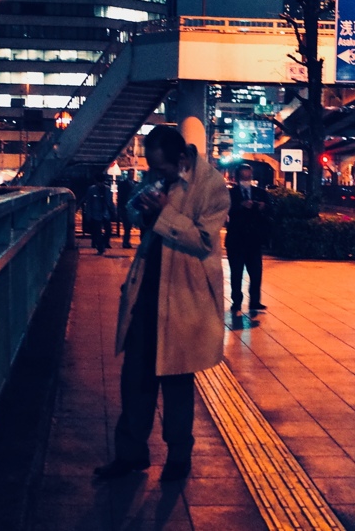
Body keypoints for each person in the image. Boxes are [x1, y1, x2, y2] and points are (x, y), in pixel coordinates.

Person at [94, 126, 230, 483]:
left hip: (184, 298)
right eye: (152, 168)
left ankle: (178, 458)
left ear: (182, 159)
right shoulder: (162, 182)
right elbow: (143, 219)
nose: (155, 174)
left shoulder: (210, 186)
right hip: (147, 294)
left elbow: (203, 240)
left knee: (177, 383)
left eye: (161, 168)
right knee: (134, 379)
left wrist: (166, 213)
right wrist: (142, 211)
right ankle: (130, 454)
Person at [225, 163, 270, 316]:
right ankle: (236, 301)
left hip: (254, 239)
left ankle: (255, 301)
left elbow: (270, 210)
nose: (246, 179)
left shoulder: (260, 192)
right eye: (243, 177)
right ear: (237, 178)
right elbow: (225, 209)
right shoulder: (230, 194)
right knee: (236, 272)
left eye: (248, 176)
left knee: (256, 272)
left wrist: (262, 207)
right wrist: (241, 206)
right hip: (236, 239)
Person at [84, 173, 115, 254]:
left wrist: (113, 210)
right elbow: (89, 203)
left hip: (105, 213)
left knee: (108, 230)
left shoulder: (107, 189)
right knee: (97, 231)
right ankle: (100, 247)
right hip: (95, 213)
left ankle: (103, 244)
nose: (100, 184)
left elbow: (110, 201)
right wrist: (88, 214)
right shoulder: (91, 190)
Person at [116, 172, 134, 248]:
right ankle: (125, 242)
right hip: (124, 207)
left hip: (131, 208)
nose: (132, 175)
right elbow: (120, 196)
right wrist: (119, 207)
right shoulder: (123, 184)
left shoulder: (135, 184)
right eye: (130, 174)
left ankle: (126, 241)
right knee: (127, 226)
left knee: (129, 226)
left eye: (133, 174)